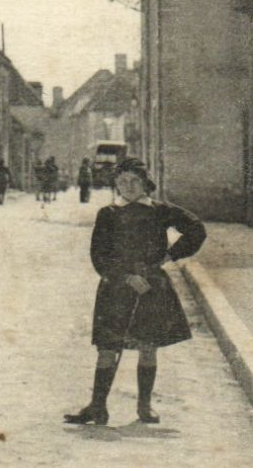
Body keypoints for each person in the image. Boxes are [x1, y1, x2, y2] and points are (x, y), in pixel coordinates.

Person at [65, 158, 206, 426]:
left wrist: (169, 255)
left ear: (145, 184)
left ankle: (145, 407)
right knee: (107, 348)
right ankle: (98, 407)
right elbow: (99, 256)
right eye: (122, 182)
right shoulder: (108, 214)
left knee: (147, 345)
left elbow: (196, 229)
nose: (128, 187)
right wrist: (126, 277)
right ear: (116, 185)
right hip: (115, 287)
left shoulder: (159, 211)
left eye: (134, 181)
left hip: (151, 286)